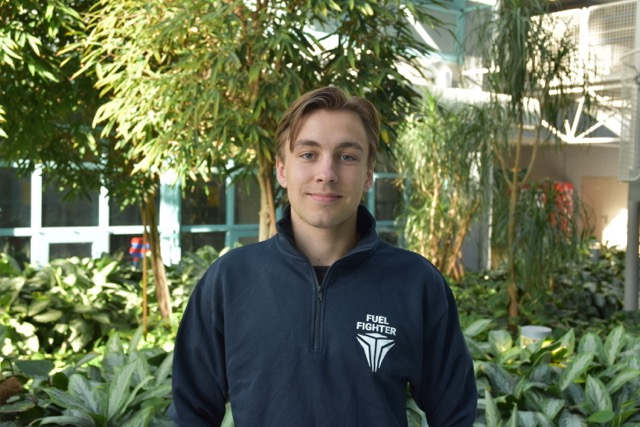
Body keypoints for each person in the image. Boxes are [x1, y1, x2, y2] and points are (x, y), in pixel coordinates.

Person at [170, 86, 477, 426]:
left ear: (368, 174)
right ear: (282, 170)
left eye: (347, 157)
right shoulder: (229, 281)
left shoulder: (416, 283)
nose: (326, 173)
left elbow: (455, 415)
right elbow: (190, 414)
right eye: (308, 154)